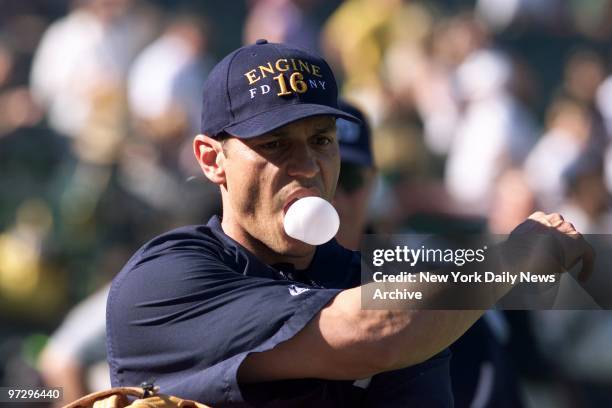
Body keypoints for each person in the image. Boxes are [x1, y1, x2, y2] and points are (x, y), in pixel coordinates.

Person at [106, 40, 593, 407]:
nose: (307, 166)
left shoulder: (399, 287)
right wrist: (508, 260)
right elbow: (372, 329)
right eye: (274, 144)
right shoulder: (167, 279)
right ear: (212, 160)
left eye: (321, 141)